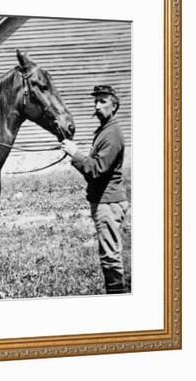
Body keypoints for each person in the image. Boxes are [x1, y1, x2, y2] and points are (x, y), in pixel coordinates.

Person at [61, 85, 129, 294]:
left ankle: (119, 302)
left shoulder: (112, 134)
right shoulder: (106, 130)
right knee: (109, 255)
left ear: (114, 106)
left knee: (110, 258)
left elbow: (96, 169)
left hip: (107, 203)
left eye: (103, 102)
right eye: (95, 101)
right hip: (104, 201)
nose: (97, 106)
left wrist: (76, 154)